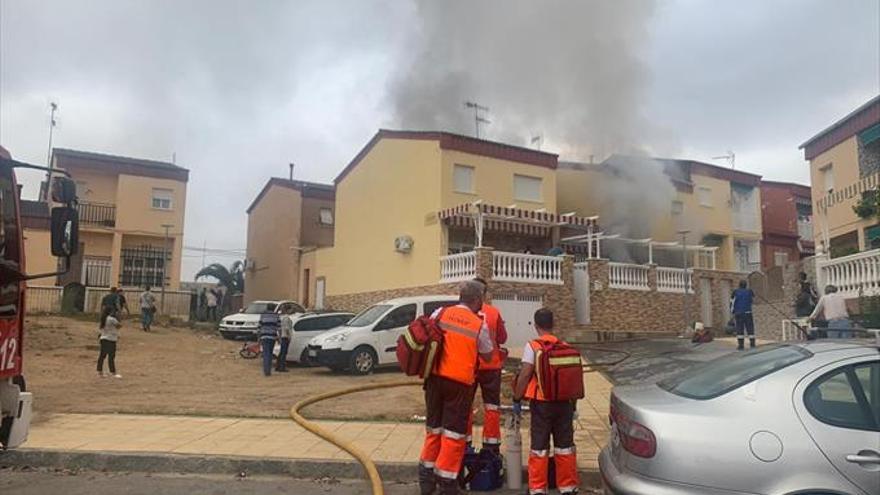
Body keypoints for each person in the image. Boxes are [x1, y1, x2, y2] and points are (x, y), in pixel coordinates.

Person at [418, 280, 494, 495]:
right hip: (459, 385)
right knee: (454, 435)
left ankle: (426, 479)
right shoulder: (479, 323)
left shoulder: (440, 313)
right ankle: (448, 483)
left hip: (434, 380)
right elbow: (487, 355)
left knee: (434, 429)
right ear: (477, 300)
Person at [512, 308, 579, 495]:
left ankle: (538, 489)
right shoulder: (564, 345)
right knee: (564, 447)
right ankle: (568, 488)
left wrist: (517, 398)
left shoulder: (533, 346)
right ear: (553, 324)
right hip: (564, 404)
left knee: (539, 448)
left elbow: (525, 374)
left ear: (536, 325)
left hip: (542, 404)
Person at [467, 277, 507, 453]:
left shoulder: (463, 314)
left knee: (466, 404)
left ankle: (465, 441)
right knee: (491, 406)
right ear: (484, 294)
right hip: (491, 366)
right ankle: (491, 445)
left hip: (469, 366)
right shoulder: (494, 312)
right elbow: (502, 338)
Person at [730, 280, 756, 350]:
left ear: (739, 285)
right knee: (750, 328)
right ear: (746, 285)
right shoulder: (749, 291)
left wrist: (732, 312)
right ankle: (752, 344)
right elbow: (753, 299)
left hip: (739, 313)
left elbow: (732, 302)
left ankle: (741, 345)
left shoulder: (735, 292)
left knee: (740, 329)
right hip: (748, 312)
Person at [97, 310, 123, 378]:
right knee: (111, 356)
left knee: (102, 356)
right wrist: (119, 318)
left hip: (103, 338)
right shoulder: (112, 319)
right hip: (111, 339)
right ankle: (113, 372)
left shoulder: (103, 319)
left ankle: (100, 372)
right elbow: (119, 326)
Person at [258, 312, 280, 377]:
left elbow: (259, 327)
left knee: (265, 354)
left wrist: (258, 337)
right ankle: (269, 371)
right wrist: (279, 338)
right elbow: (279, 328)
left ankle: (266, 371)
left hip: (264, 337)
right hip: (272, 337)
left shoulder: (263, 315)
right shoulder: (276, 316)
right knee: (270, 354)